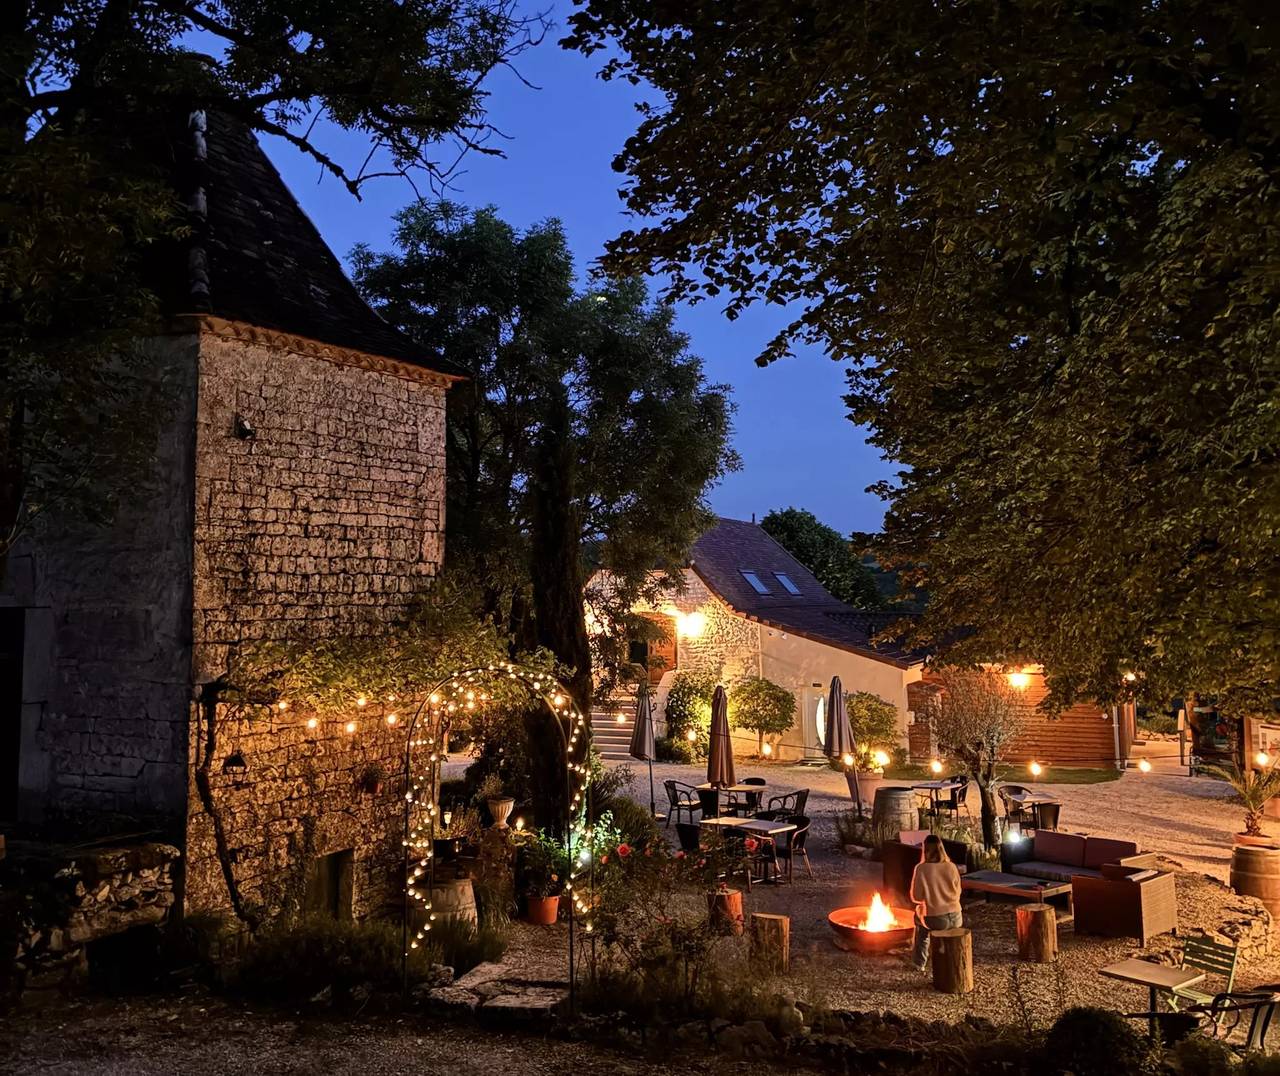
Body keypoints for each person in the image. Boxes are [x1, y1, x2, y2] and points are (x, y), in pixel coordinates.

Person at [909, 834, 963, 972]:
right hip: (957, 917)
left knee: (919, 921)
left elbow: (916, 897)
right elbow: (958, 892)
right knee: (924, 915)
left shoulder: (922, 869)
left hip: (937, 920)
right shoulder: (951, 866)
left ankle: (919, 962)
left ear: (925, 850)